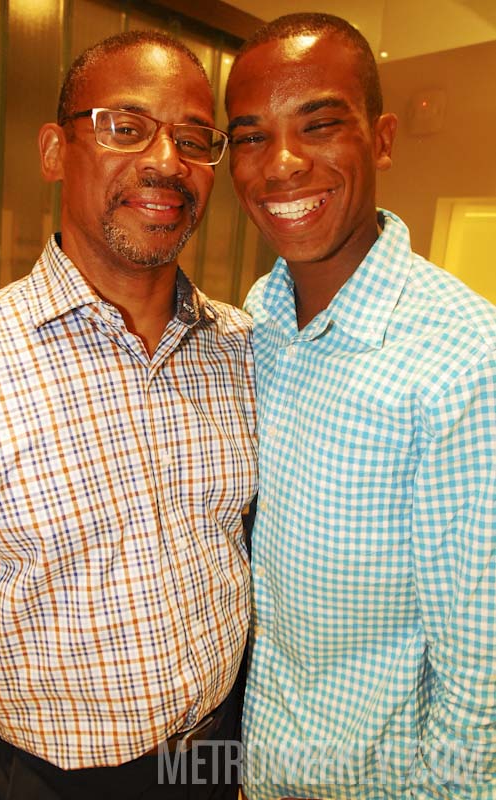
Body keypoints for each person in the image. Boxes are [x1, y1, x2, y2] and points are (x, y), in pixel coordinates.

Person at [0, 30, 257, 800]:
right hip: (59, 780)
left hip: (219, 750)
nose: (166, 161)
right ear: (54, 150)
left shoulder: (244, 351)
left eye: (193, 138)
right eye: (125, 127)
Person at [226, 12, 496, 800]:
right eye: (250, 136)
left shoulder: (463, 360)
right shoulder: (260, 320)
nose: (281, 163)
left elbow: (480, 662)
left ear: (380, 140)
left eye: (318, 125)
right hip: (260, 766)